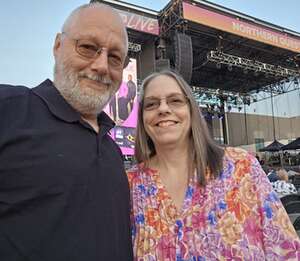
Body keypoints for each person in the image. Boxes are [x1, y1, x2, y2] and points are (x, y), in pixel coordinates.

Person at [0, 3, 133, 261]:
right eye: (87, 47)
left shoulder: (113, 150)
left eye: (115, 57)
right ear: (58, 46)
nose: (102, 66)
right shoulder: (8, 108)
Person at [127, 70, 300, 260]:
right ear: (142, 118)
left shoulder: (241, 167)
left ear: (191, 110)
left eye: (175, 100)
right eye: (151, 104)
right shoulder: (129, 185)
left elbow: (286, 249)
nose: (163, 109)